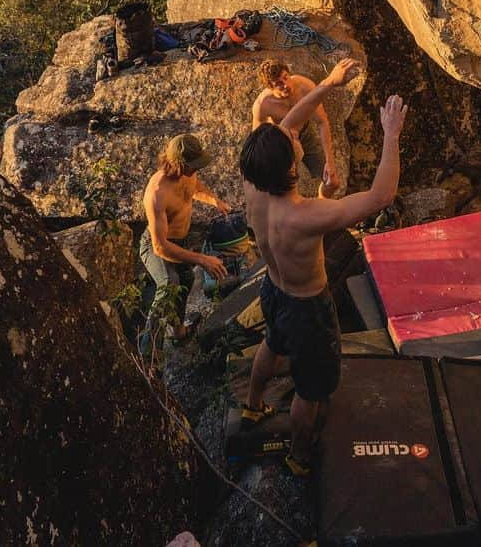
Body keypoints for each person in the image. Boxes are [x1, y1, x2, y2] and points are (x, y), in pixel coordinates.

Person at [239, 56, 408, 476]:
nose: (293, 133)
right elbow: (380, 197)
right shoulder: (307, 214)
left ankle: (253, 405)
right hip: (307, 308)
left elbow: (288, 126)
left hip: (275, 290)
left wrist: (329, 84)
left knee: (273, 344)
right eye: (291, 140)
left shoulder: (254, 183)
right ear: (292, 164)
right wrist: (391, 134)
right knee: (310, 390)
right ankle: (300, 454)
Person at [140, 132, 232, 349]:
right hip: (157, 245)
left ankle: (179, 331)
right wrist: (202, 259)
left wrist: (215, 201)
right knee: (169, 284)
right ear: (177, 163)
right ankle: (148, 354)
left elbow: (196, 189)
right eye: (192, 165)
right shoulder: (157, 192)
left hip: (180, 242)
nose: (196, 170)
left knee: (186, 281)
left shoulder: (188, 174)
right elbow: (160, 246)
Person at [252, 58, 341, 198]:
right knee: (282, 191)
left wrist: (330, 162)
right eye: (279, 84)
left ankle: (321, 207)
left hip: (305, 134)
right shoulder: (263, 105)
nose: (286, 85)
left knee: (332, 182)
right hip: (282, 144)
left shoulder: (304, 87)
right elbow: (257, 140)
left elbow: (322, 122)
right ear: (270, 87)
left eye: (286, 78)